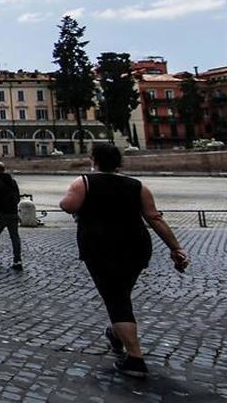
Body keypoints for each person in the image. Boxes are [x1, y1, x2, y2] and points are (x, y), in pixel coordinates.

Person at [59, 143, 189, 379]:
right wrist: (176, 247)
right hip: (136, 247)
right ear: (119, 162)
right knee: (120, 294)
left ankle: (135, 358)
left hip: (101, 246)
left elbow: (68, 205)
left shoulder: (84, 182)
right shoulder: (137, 186)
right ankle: (117, 334)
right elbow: (155, 218)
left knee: (116, 299)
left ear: (94, 159)